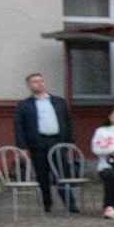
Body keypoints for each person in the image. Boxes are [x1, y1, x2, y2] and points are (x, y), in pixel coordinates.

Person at [13, 74, 74, 213]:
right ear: (29, 86)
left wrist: (70, 141)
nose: (39, 84)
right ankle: (47, 204)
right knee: (42, 174)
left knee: (62, 172)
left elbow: (68, 121)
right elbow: (19, 127)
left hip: (57, 141)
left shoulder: (58, 101)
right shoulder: (24, 105)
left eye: (41, 81)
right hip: (37, 142)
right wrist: (22, 147)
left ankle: (70, 203)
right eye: (34, 82)